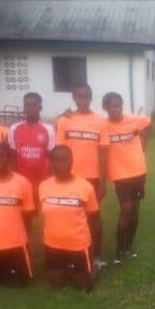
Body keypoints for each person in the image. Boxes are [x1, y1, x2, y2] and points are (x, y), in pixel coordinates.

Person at [55, 84, 109, 265]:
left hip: (92, 178)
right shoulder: (65, 120)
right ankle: (71, 253)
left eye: (86, 96)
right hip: (69, 178)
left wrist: (102, 181)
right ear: (74, 98)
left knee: (93, 217)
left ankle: (97, 256)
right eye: (79, 96)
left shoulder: (100, 121)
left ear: (91, 97)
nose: (83, 100)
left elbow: (103, 154)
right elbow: (59, 152)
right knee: (69, 217)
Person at [39, 146, 101, 292]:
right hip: (52, 244)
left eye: (65, 159)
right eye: (56, 160)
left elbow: (95, 219)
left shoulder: (85, 187)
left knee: (83, 288)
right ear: (50, 163)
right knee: (56, 285)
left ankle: (95, 266)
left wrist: (97, 250)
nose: (60, 164)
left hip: (78, 245)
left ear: (72, 161)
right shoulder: (43, 186)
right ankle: (67, 267)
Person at [102, 92, 151, 265]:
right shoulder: (103, 126)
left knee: (134, 212)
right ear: (105, 108)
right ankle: (118, 252)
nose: (116, 109)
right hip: (119, 174)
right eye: (112, 106)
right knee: (126, 210)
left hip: (138, 171)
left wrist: (143, 144)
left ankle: (129, 247)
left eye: (118, 106)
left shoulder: (133, 120)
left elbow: (148, 124)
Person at [0, 143, 35, 286]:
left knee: (18, 284)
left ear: (9, 158)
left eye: (2, 156)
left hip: (16, 243)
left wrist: (23, 238)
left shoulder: (23, 182)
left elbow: (28, 214)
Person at [8, 92, 55, 201]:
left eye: (33, 105)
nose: (30, 108)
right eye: (27, 105)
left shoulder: (49, 129)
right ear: (24, 108)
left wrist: (51, 179)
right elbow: (12, 156)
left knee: (41, 207)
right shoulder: (14, 128)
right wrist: (13, 178)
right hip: (21, 179)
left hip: (42, 179)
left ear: (40, 107)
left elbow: (51, 156)